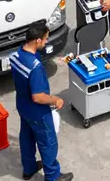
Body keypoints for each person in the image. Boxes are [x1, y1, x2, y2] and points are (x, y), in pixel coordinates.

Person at [10, 21, 73, 181]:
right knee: (48, 142)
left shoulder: (17, 55)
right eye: (45, 39)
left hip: (22, 105)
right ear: (37, 40)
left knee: (26, 136)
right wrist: (55, 99)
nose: (46, 42)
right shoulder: (35, 67)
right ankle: (53, 176)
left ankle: (29, 168)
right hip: (37, 110)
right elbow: (37, 96)